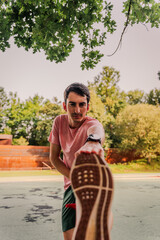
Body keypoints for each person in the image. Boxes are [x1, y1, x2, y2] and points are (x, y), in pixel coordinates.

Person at [49, 83, 114, 240]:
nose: (77, 110)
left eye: (81, 105)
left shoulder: (91, 124)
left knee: (98, 206)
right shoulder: (59, 122)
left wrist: (94, 140)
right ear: (65, 105)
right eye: (72, 104)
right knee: (68, 235)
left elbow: (97, 130)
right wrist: (74, 178)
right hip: (71, 182)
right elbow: (54, 158)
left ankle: (100, 227)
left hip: (92, 178)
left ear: (88, 106)